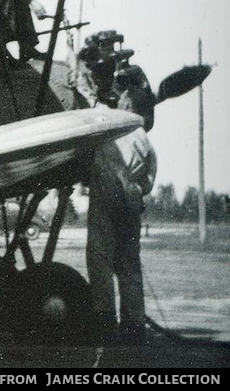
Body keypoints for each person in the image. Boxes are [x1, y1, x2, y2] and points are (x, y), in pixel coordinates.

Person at [86, 84, 157, 345]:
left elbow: (90, 98)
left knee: (100, 258)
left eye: (123, 99)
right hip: (131, 202)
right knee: (129, 264)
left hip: (107, 196)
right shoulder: (145, 139)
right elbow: (149, 180)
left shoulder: (111, 123)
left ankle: (104, 319)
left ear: (127, 107)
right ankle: (134, 325)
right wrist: (134, 191)